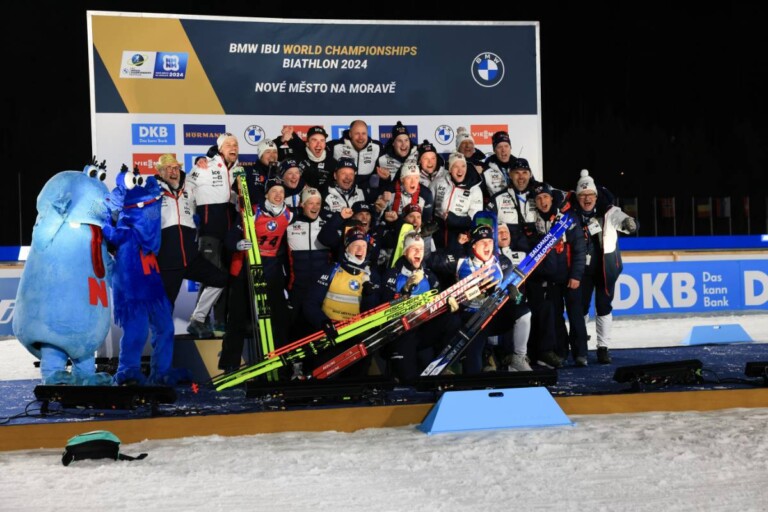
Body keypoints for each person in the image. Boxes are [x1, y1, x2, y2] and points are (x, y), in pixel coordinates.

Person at [430, 224, 533, 374]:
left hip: (493, 315)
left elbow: (516, 298)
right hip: (471, 320)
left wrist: (515, 297)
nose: (487, 246)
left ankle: (518, 358)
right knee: (473, 369)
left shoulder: (503, 262)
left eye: (490, 242)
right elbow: (432, 261)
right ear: (473, 245)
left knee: (524, 312)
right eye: (482, 242)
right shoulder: (460, 261)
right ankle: (462, 365)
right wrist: (455, 245)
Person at [218, 176, 293, 373]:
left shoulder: (289, 214)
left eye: (281, 192)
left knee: (278, 316)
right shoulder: (252, 212)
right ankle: (230, 365)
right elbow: (230, 238)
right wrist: (237, 244)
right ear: (266, 194)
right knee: (238, 316)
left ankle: (281, 363)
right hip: (247, 266)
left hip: (271, 268)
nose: (278, 195)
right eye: (274, 191)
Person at [572, 169, 638, 364]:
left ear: (596, 196)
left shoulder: (609, 211)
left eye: (590, 195)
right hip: (582, 270)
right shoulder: (571, 214)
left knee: (604, 307)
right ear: (577, 197)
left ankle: (603, 347)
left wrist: (630, 223)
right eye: (582, 195)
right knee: (581, 308)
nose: (587, 199)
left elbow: (622, 219)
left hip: (605, 269)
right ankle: (581, 347)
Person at [380, 231, 461, 383]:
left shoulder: (429, 275)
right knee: (408, 379)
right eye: (414, 249)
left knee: (452, 320)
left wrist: (448, 303)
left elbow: (439, 299)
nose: (418, 252)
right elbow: (385, 307)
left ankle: (443, 362)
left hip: (423, 329)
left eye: (421, 249)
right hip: (401, 333)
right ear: (405, 251)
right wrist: (405, 290)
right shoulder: (392, 274)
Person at [303, 226, 381, 378]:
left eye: (364, 245)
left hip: (356, 336)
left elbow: (373, 314)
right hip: (330, 334)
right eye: (356, 245)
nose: (360, 250)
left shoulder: (372, 276)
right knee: (323, 375)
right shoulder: (331, 270)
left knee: (355, 378)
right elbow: (310, 303)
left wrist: (369, 294)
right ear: (347, 248)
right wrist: (322, 322)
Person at [155, 154, 227, 316]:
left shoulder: (189, 185)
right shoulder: (152, 190)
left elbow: (207, 176)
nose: (173, 171)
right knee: (165, 309)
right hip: (168, 262)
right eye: (168, 168)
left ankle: (198, 318)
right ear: (160, 172)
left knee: (220, 279)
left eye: (176, 167)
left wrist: (202, 159)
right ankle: (159, 333)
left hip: (191, 257)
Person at [528, 182, 588, 367]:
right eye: (539, 198)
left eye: (545, 197)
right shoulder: (534, 221)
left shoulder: (567, 218)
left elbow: (579, 249)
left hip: (570, 277)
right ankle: (561, 352)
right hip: (551, 279)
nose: (543, 201)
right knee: (556, 318)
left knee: (576, 316)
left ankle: (581, 353)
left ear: (552, 198)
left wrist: (576, 276)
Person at [186, 132, 239, 335]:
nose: (233, 147)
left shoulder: (237, 170)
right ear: (220, 148)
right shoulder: (205, 165)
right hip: (209, 230)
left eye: (235, 144)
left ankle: (217, 321)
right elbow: (187, 187)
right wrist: (191, 216)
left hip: (229, 232)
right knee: (211, 276)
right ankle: (199, 319)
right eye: (229, 144)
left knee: (223, 276)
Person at [285, 187, 331, 340]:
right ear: (302, 204)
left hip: (321, 288)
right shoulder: (290, 222)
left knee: (317, 329)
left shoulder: (327, 223)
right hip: (297, 287)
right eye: (310, 203)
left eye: (318, 203)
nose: (315, 207)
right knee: (294, 327)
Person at [430, 152, 483, 251]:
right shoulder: (438, 182)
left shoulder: (475, 189)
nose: (460, 170)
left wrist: (454, 219)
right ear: (450, 169)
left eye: (463, 166)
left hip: (459, 237)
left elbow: (474, 219)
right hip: (437, 233)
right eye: (456, 166)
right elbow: (428, 207)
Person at [276, 125, 338, 190]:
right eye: (314, 140)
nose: (318, 144)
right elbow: (270, 153)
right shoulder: (297, 152)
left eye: (322, 140)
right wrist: (281, 140)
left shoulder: (332, 163)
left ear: (325, 144)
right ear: (307, 143)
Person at [327, 119, 384, 189]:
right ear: (350, 134)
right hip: (341, 189)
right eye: (357, 133)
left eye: (363, 133)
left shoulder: (377, 146)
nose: (361, 138)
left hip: (366, 191)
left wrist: (387, 177)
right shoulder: (334, 146)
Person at [482, 130, 517, 198]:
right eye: (499, 147)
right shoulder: (486, 167)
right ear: (494, 150)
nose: (503, 150)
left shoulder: (519, 165)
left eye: (506, 146)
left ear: (510, 147)